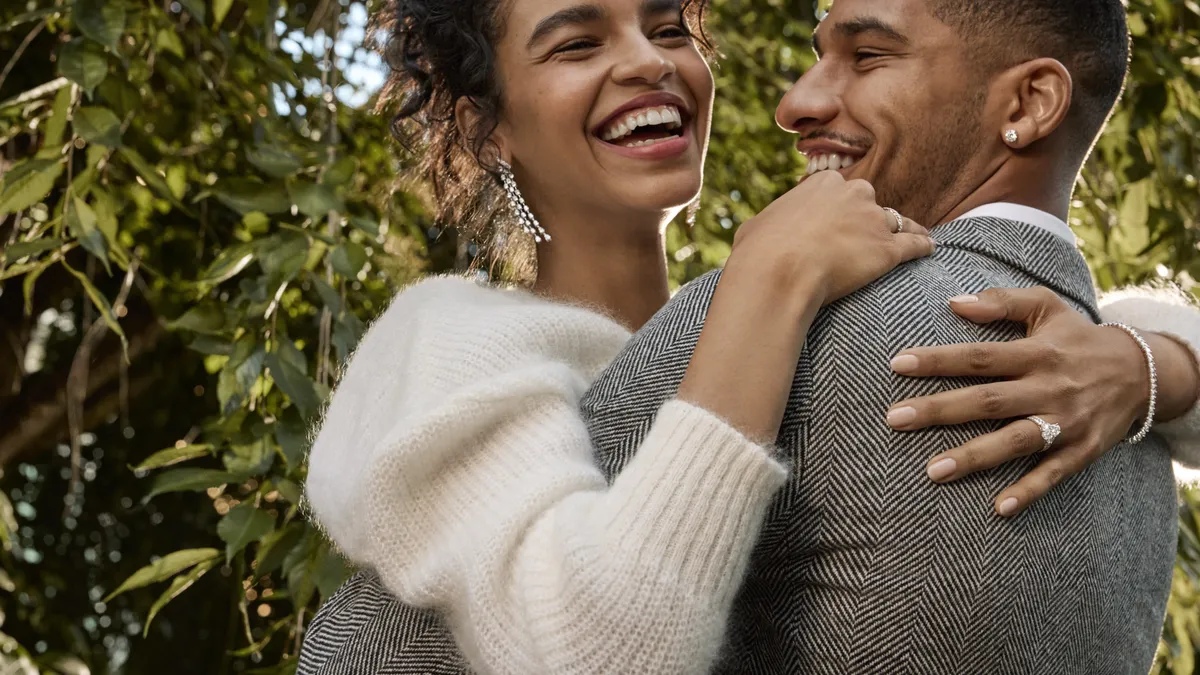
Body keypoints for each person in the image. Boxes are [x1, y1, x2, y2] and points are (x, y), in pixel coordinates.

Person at [298, 0, 1200, 673]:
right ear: (486, 130)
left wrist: (1151, 363)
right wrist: (766, 277)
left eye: (667, 29)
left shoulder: (831, 316)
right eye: (578, 43)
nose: (648, 64)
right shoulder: (450, 338)